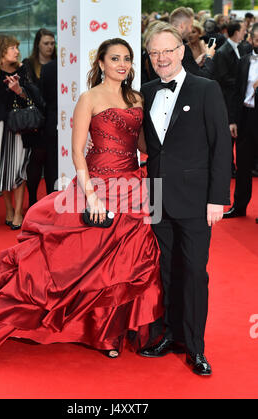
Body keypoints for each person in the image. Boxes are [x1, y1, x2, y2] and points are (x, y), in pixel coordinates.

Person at [0, 38, 163, 359]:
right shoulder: (89, 98)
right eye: (115, 58)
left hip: (132, 186)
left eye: (127, 58)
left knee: (127, 264)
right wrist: (91, 196)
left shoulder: (137, 98)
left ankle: (113, 332)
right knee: (90, 262)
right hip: (97, 185)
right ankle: (93, 333)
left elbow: (142, 145)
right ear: (101, 63)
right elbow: (77, 152)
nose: (122, 64)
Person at [139, 23, 232, 376]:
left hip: (196, 199)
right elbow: (145, 142)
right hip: (158, 194)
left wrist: (217, 198)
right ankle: (169, 335)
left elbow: (221, 146)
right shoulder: (145, 91)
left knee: (194, 272)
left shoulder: (206, 89)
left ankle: (195, 347)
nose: (161, 58)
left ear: (181, 51)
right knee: (165, 270)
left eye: (167, 51)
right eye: (154, 53)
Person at [0, 35, 42, 229]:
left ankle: (19, 212)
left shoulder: (22, 69)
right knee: (3, 169)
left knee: (19, 169)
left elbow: (32, 96)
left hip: (19, 127)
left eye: (17, 48)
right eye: (13, 48)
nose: (17, 51)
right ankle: (9, 209)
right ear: (2, 50)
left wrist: (19, 89)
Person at [223, 24, 258, 219]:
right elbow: (236, 92)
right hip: (245, 117)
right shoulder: (244, 61)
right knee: (243, 164)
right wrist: (232, 120)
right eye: (257, 40)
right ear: (251, 40)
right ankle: (239, 206)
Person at [22, 28, 57, 207]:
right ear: (38, 45)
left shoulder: (59, 64)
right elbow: (27, 90)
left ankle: (49, 200)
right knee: (36, 158)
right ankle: (33, 198)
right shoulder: (28, 64)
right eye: (46, 43)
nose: (50, 47)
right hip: (35, 120)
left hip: (52, 118)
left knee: (51, 161)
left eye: (52, 43)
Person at [213, 20, 247, 177]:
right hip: (226, 99)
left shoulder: (243, 47)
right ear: (236, 32)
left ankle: (235, 165)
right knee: (227, 136)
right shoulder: (222, 52)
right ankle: (227, 167)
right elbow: (222, 77)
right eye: (243, 30)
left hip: (239, 99)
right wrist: (243, 81)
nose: (245, 33)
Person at [169, 7, 216, 79]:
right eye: (190, 26)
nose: (190, 31)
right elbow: (203, 77)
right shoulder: (182, 48)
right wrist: (209, 56)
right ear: (182, 26)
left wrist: (195, 63)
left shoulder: (161, 43)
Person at [39, 59, 58, 194]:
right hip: (53, 122)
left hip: (52, 120)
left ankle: (51, 196)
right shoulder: (48, 68)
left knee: (52, 164)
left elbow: (42, 98)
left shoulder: (47, 68)